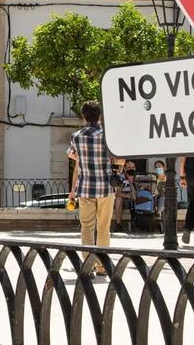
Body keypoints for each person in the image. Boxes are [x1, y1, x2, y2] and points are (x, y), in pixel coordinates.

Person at [67, 101, 115, 273]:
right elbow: (118, 158)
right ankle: (102, 266)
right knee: (103, 228)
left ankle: (88, 266)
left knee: (87, 228)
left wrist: (83, 158)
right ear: (100, 116)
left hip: (85, 187)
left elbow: (71, 154)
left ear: (83, 116)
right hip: (106, 188)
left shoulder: (76, 136)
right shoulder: (107, 136)